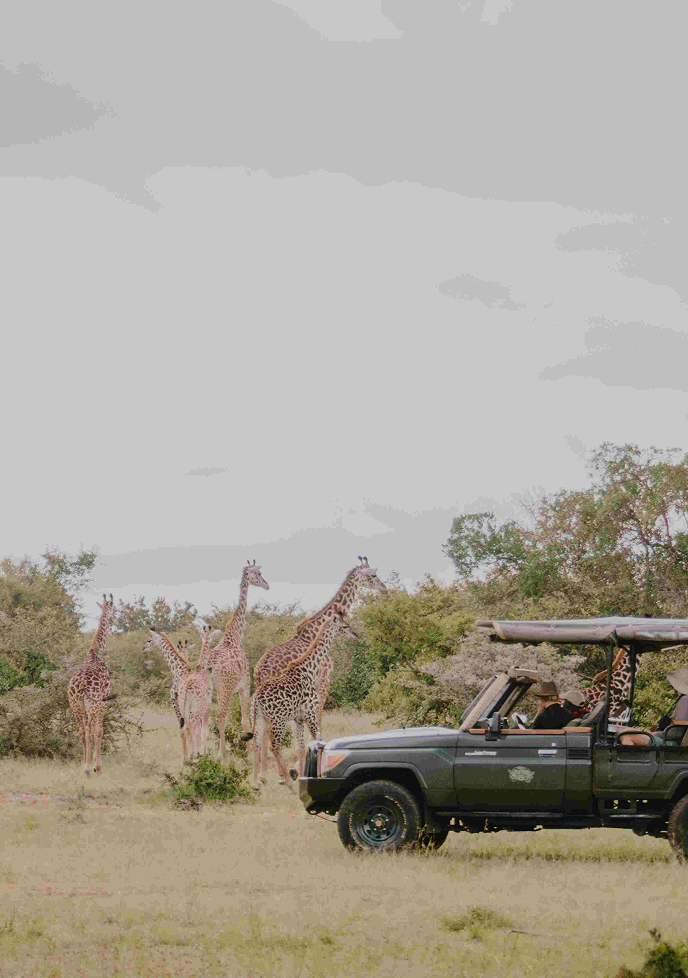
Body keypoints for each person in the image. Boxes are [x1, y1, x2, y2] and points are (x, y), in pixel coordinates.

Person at [620, 668, 688, 746]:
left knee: (626, 735)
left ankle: (633, 757)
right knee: (626, 731)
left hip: (670, 743)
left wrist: (658, 732)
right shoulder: (683, 699)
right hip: (668, 738)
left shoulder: (685, 699)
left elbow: (675, 733)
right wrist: (655, 733)